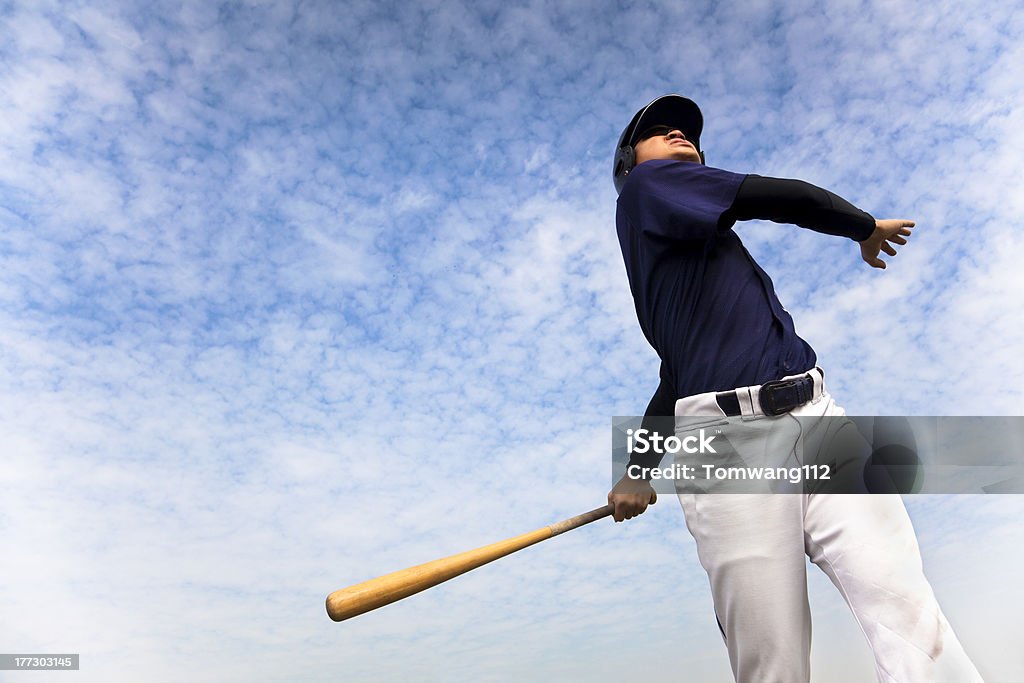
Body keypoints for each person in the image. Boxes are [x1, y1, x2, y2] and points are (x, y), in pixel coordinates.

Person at [605, 94, 983, 683]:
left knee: (910, 616)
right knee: (772, 662)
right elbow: (780, 196)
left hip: (818, 413)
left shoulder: (686, 252)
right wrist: (864, 227)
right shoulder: (647, 190)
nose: (680, 133)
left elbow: (673, 375)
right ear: (631, 163)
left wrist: (637, 469)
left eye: (687, 132)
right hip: (728, 441)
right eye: (658, 132)